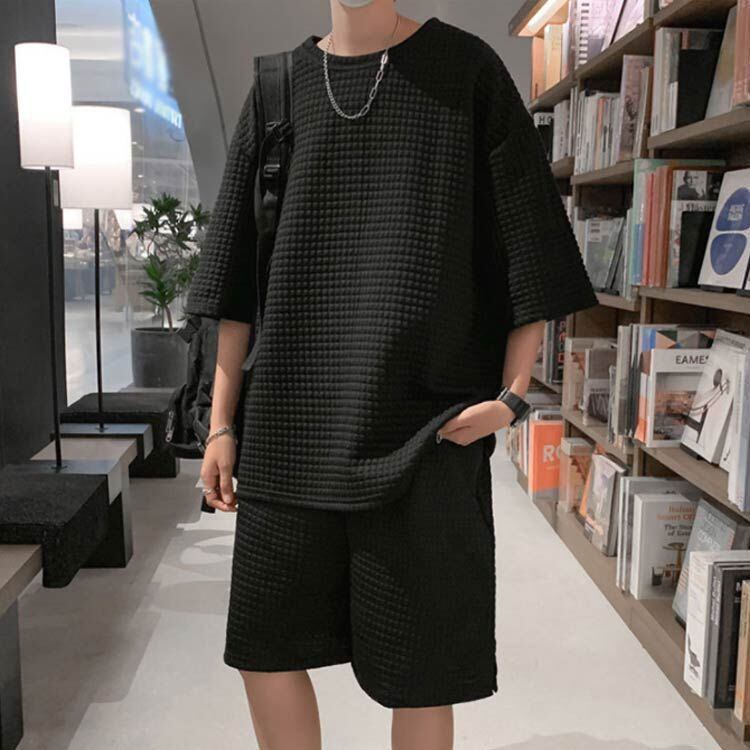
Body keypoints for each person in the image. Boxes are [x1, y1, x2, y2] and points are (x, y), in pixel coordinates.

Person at [185, 1, 598, 748]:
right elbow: (235, 280)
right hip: (288, 434)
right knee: (262, 647)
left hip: (421, 433)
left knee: (422, 672)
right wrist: (219, 424)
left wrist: (510, 399)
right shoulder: (278, 89)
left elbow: (530, 243)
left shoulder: (466, 73)